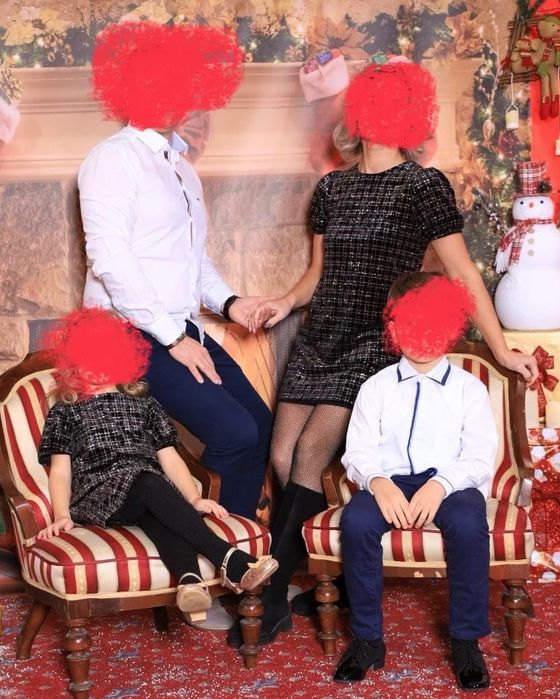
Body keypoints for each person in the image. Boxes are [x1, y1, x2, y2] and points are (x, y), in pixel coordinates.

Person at [227, 60, 538, 648]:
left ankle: (268, 596)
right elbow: (316, 275)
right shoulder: (333, 187)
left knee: (312, 451)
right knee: (283, 452)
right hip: (320, 335)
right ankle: (341, 581)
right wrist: (282, 302)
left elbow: (462, 273)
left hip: (375, 338)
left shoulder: (423, 186)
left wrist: (501, 348)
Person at [78, 21, 271, 521]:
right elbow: (111, 259)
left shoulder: (181, 167)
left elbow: (193, 259)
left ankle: (233, 546)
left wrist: (231, 303)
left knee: (258, 424)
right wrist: (172, 338)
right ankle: (194, 532)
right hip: (127, 333)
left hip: (179, 325)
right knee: (235, 432)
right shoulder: (111, 159)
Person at [37, 308, 278, 622]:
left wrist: (194, 499)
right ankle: (230, 559)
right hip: (98, 495)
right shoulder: (66, 411)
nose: (96, 367)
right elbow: (60, 470)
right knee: (151, 483)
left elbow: (170, 458)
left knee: (158, 509)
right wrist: (62, 515)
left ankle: (190, 583)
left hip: (146, 492)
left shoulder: (145, 403)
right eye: (87, 359)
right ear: (74, 365)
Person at [335, 271, 496, 690]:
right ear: (393, 328)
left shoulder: (469, 390)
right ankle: (367, 640)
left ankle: (466, 641)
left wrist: (441, 485)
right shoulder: (375, 388)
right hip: (389, 481)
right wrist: (377, 482)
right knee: (356, 522)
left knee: (468, 525)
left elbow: (480, 455)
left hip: (451, 483)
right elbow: (358, 451)